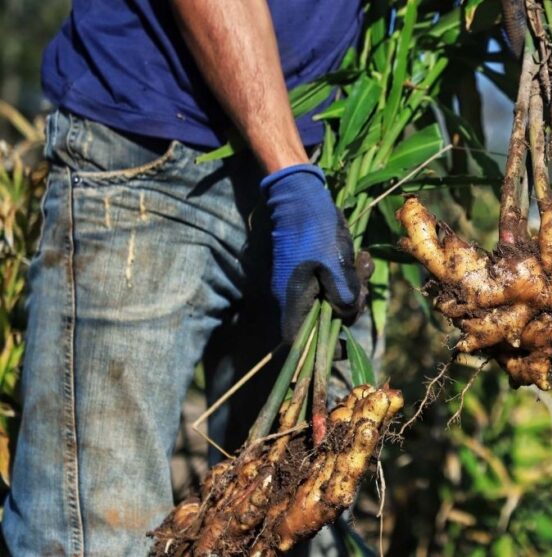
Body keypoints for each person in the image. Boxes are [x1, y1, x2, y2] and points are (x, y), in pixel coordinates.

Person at [3, 1, 368, 554]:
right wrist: (289, 173)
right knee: (92, 537)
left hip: (323, 166)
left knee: (299, 518)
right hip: (149, 154)